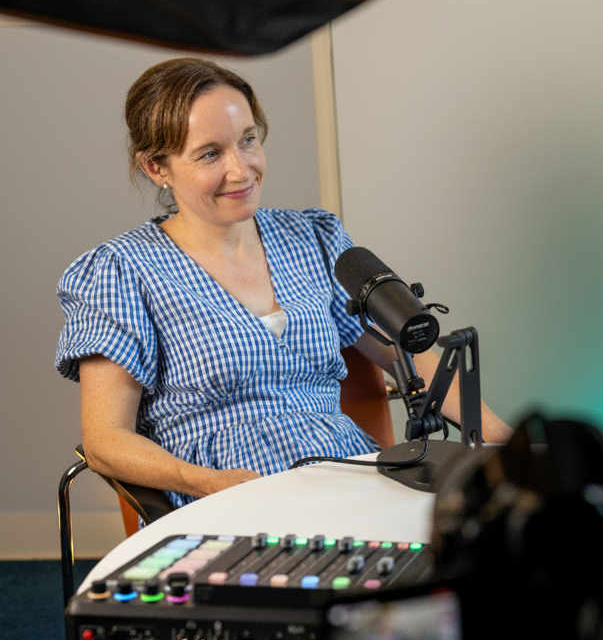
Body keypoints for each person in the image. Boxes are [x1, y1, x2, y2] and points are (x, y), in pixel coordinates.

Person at [55, 57, 511, 513]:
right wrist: (205, 482)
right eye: (210, 153)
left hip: (351, 475)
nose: (241, 169)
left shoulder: (315, 239)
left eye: (248, 140)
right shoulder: (120, 271)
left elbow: (412, 359)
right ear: (157, 168)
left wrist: (509, 449)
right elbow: (105, 440)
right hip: (229, 497)